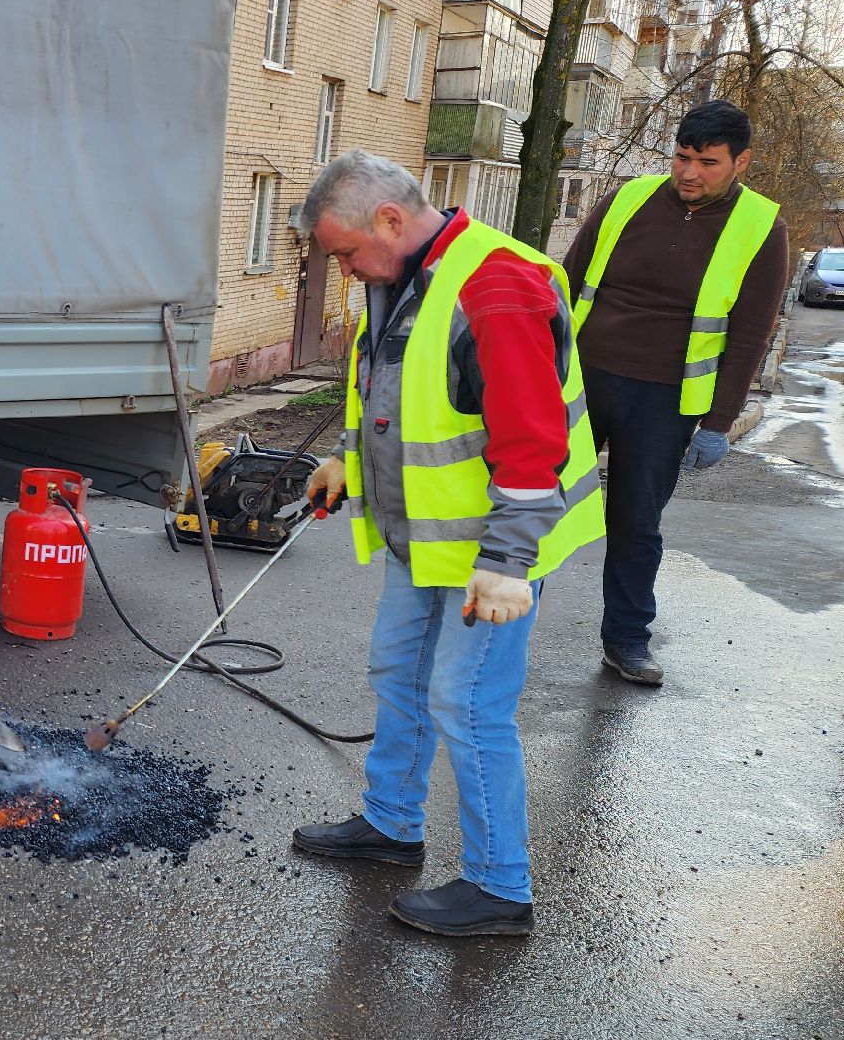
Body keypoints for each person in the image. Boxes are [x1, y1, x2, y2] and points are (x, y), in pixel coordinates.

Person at [290, 150, 604, 936]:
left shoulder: (496, 287)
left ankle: (502, 887)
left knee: (467, 705)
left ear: (389, 220)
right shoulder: (399, 279)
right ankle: (392, 825)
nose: (345, 271)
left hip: (494, 550)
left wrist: (506, 567)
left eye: (345, 254)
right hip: (427, 541)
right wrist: (348, 462)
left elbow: (532, 446)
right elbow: (403, 398)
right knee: (400, 673)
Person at [562, 100, 790, 686]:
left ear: (741, 162)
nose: (689, 173)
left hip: (665, 399)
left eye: (707, 163)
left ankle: (627, 641)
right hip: (584, 381)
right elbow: (566, 281)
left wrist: (719, 421)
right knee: (537, 504)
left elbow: (748, 333)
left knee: (636, 522)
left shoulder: (762, 227)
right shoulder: (630, 198)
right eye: (682, 158)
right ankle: (496, 621)